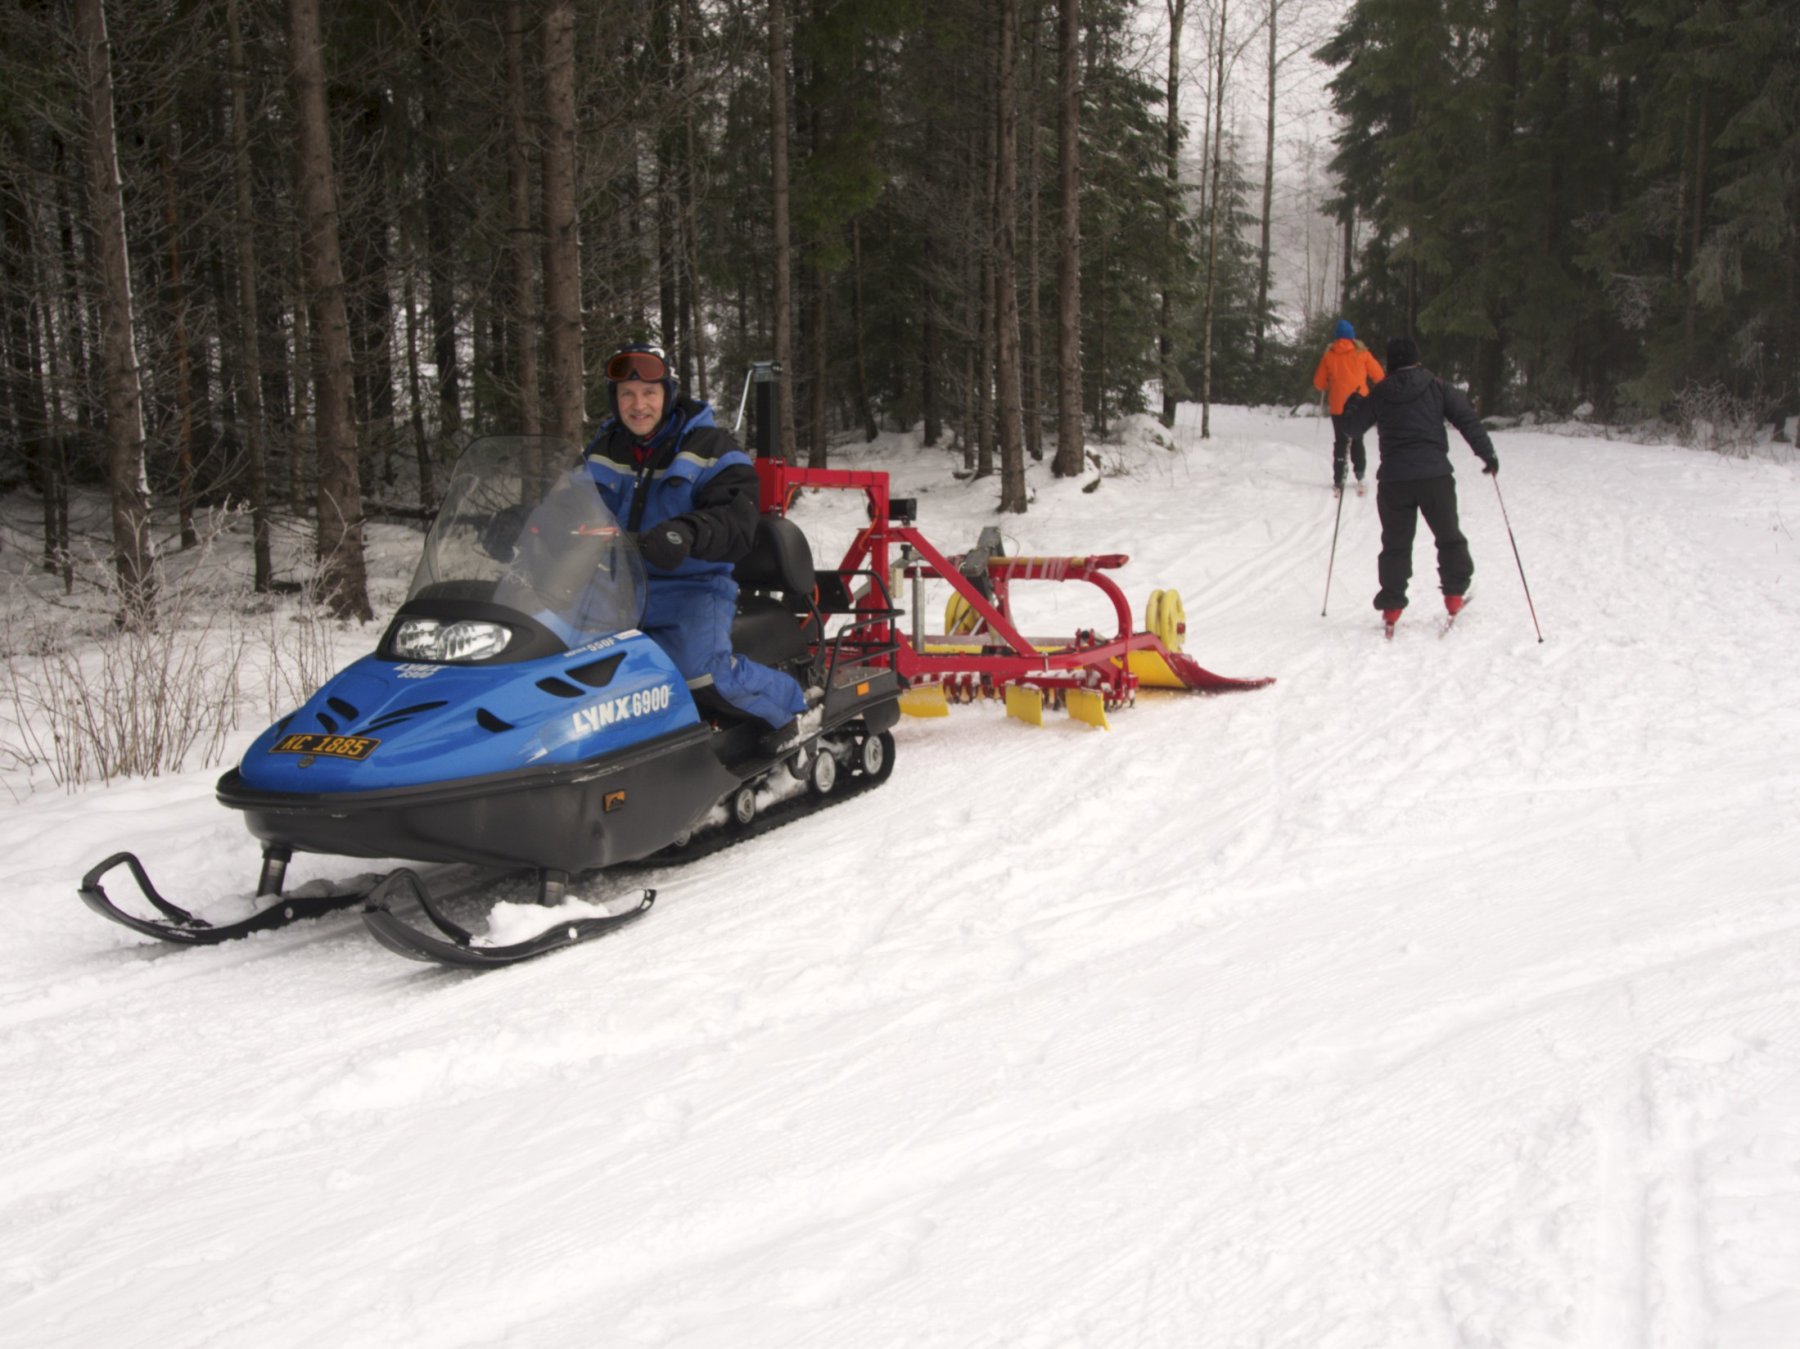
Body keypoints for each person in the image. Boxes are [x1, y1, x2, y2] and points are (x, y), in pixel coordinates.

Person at [582, 343, 816, 751]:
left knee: (699, 673)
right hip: (615, 588)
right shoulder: (603, 449)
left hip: (691, 586)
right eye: (627, 394)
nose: (638, 405)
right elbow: (564, 503)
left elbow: (737, 518)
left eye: (649, 393)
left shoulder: (711, 447)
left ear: (669, 394)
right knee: (565, 665)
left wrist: (686, 532)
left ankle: (794, 705)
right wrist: (518, 525)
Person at [1340, 336, 1498, 632]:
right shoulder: (1436, 386)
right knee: (1449, 536)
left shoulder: (1381, 392)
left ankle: (1392, 606)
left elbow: (1352, 427)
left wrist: (1352, 405)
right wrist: (1486, 453)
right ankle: (1453, 595)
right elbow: (1466, 419)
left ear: (1390, 363)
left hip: (1394, 481)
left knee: (1396, 545)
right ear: (1417, 359)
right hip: (1434, 477)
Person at [1312, 319, 1386, 494]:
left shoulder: (1329, 355)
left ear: (1336, 337)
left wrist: (1329, 383)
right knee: (1357, 440)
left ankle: (1338, 479)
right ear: (1353, 337)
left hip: (1338, 406)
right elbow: (1379, 375)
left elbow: (1318, 383)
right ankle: (1360, 476)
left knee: (1341, 441)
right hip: (1360, 404)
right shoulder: (1363, 353)